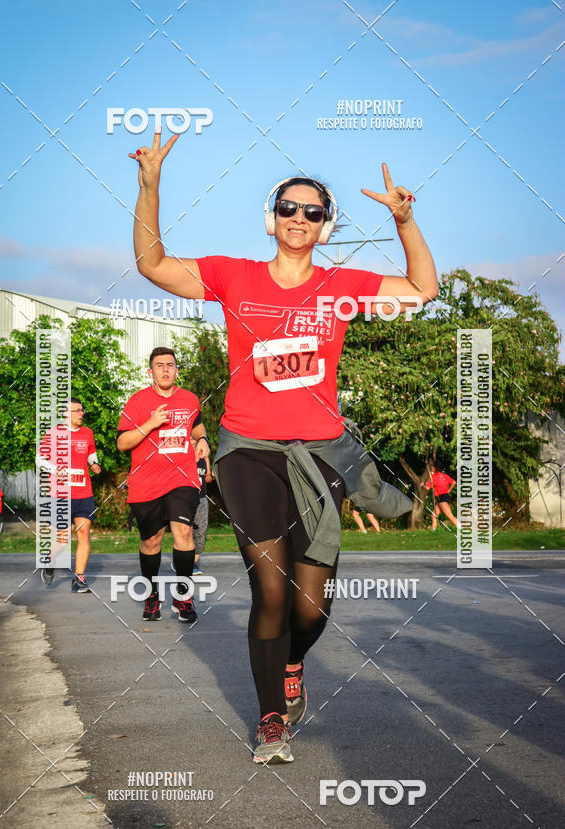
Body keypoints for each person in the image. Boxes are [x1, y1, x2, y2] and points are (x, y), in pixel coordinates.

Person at [130, 130, 438, 763]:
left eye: (314, 212)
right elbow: (152, 265)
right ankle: (272, 719)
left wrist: (406, 222)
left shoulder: (343, 286)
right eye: (289, 209)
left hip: (319, 453)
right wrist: (150, 185)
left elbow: (421, 290)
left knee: (311, 604)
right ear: (271, 220)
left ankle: (294, 661)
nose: (300, 218)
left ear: (325, 228)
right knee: (269, 591)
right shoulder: (233, 277)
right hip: (248, 451)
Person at [117, 347, 209, 623]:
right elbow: (123, 443)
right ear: (151, 372)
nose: (166, 369)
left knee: (183, 532)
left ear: (176, 370)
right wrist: (152, 422)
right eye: (160, 365)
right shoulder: (137, 402)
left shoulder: (189, 399)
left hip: (182, 478)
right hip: (146, 483)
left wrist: (203, 440)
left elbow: (197, 426)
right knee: (151, 540)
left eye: (170, 365)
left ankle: (183, 596)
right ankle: (151, 596)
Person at [37, 399, 101, 591]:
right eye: (77, 411)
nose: (81, 413)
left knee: (84, 534)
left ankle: (79, 579)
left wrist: (94, 464)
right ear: (66, 413)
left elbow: (91, 452)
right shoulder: (54, 433)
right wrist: (56, 470)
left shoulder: (87, 433)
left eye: (82, 410)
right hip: (61, 494)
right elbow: (40, 459)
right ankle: (49, 562)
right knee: (62, 541)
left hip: (84, 492)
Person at [190, 437, 211, 575]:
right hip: (185, 497)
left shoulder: (204, 456)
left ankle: (193, 561)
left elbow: (207, 478)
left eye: (195, 440)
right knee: (185, 531)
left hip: (201, 498)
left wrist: (212, 474)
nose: (193, 442)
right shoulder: (183, 455)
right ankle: (186, 562)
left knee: (200, 532)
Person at [421, 464, 460, 529]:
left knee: (449, 515)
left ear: (435, 468)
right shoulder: (445, 476)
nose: (431, 468)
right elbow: (454, 482)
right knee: (434, 515)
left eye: (432, 467)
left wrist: (422, 486)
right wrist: (449, 490)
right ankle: (433, 531)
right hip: (444, 496)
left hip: (441, 498)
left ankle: (461, 528)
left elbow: (427, 488)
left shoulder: (432, 477)